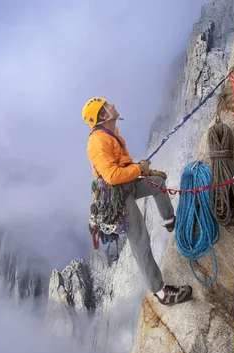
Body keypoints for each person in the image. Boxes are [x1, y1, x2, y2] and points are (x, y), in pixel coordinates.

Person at [82, 97, 193, 306]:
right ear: (103, 115)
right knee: (140, 240)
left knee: (157, 181)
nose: (113, 105)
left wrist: (147, 172)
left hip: (128, 184)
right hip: (119, 197)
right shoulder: (97, 142)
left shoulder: (111, 133)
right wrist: (141, 169)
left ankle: (170, 221)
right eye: (108, 106)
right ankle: (161, 292)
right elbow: (112, 176)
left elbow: (124, 165)